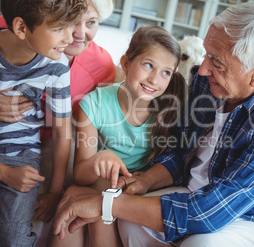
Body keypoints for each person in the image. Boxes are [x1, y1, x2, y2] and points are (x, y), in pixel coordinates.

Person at [52, 1, 254, 247]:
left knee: (200, 245)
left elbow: (210, 211)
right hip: (198, 193)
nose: (201, 69)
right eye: (206, 54)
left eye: (216, 61)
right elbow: (181, 153)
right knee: (131, 220)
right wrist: (144, 181)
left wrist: (105, 203)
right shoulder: (211, 82)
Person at [0, 0, 115, 245]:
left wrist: (55, 191)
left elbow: (67, 131)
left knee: (13, 232)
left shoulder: (72, 63)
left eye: (91, 22)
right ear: (21, 27)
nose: (75, 35)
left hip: (24, 151)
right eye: (66, 24)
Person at [49, 25, 186, 247]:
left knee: (100, 217)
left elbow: (171, 165)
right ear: (125, 63)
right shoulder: (94, 103)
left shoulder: (169, 111)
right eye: (148, 65)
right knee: (72, 197)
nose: (154, 79)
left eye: (165, 73)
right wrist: (99, 159)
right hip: (99, 183)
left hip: (135, 188)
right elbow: (81, 175)